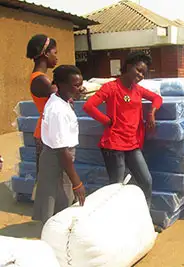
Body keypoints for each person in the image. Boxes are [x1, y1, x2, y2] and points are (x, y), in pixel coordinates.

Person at [83, 52, 163, 230]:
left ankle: (144, 223)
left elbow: (157, 98)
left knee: (146, 181)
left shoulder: (137, 90)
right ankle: (116, 227)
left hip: (132, 144)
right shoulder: (112, 88)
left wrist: (151, 112)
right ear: (128, 66)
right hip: (114, 145)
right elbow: (88, 106)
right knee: (116, 188)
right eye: (138, 70)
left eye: (144, 73)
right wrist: (107, 121)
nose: (141, 75)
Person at [32, 65, 86, 224]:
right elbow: (62, 150)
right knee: (56, 199)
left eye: (80, 84)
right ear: (61, 85)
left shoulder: (61, 100)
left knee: (59, 199)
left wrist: (73, 96)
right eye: (76, 85)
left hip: (60, 155)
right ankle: (50, 237)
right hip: (58, 157)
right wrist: (77, 182)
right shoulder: (57, 110)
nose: (80, 88)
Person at [26, 34, 58, 176]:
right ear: (45, 53)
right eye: (54, 53)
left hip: (47, 131)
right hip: (46, 134)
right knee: (46, 178)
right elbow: (63, 97)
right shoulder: (40, 80)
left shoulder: (43, 78)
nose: (56, 57)